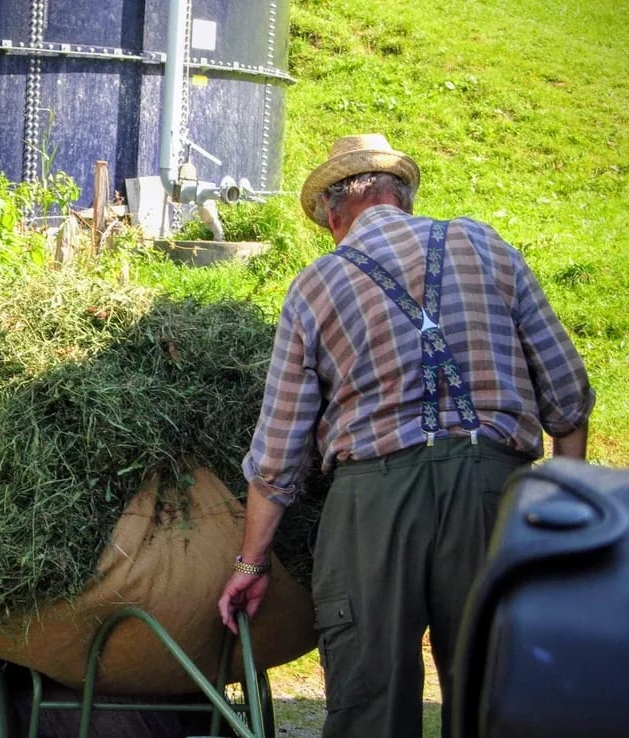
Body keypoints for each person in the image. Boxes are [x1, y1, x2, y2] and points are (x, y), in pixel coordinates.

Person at [217, 134, 594, 738]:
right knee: (492, 697)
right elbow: (568, 396)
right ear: (402, 198)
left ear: (336, 212)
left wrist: (250, 562)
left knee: (371, 701)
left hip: (374, 506)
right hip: (493, 494)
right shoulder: (486, 247)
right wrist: (561, 520)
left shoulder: (317, 285)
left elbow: (279, 452)